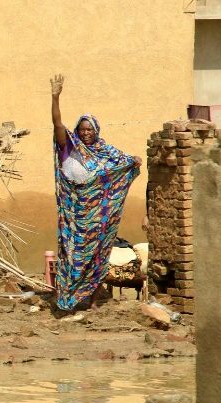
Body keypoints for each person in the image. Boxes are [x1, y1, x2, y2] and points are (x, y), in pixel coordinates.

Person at [50, 74, 142, 312]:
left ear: (96, 130)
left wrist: (134, 160)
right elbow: (57, 125)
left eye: (89, 129)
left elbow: (123, 163)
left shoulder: (105, 151)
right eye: (82, 129)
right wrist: (55, 97)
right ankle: (68, 298)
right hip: (73, 216)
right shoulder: (69, 146)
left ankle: (91, 299)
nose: (86, 133)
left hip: (99, 217)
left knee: (97, 253)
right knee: (71, 255)